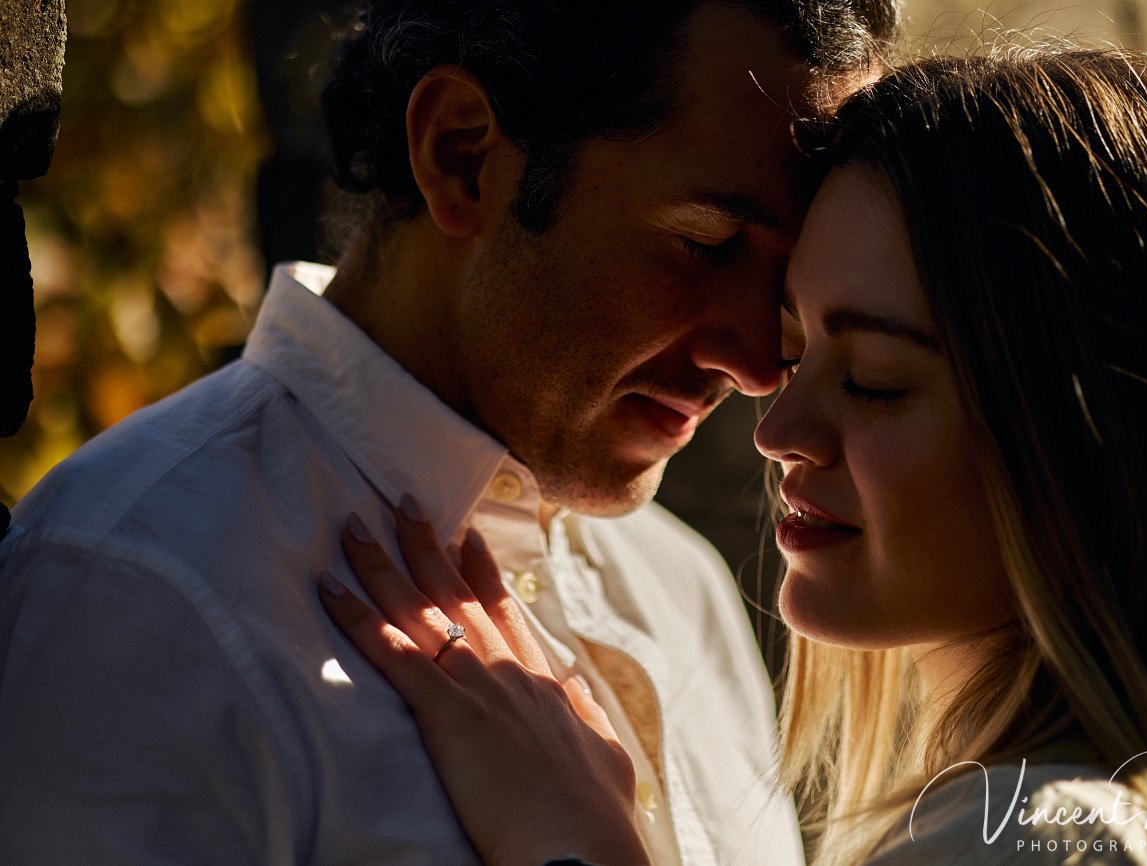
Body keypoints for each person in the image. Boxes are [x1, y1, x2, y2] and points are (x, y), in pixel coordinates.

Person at [319, 47, 1147, 865]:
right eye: (794, 351)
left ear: (1100, 440)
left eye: (872, 377)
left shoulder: (1041, 838)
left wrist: (569, 839)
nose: (775, 426)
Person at [0, 2, 894, 863]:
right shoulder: (138, 592)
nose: (755, 364)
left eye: (783, 284)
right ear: (461, 154)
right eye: (706, 242)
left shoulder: (684, 593)